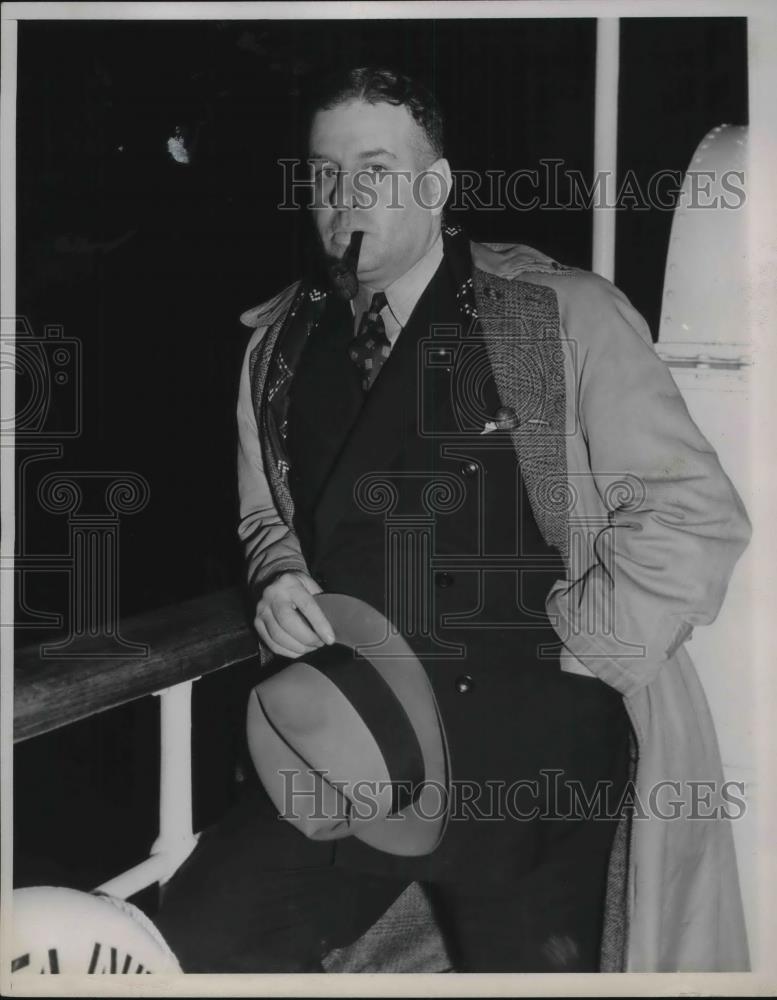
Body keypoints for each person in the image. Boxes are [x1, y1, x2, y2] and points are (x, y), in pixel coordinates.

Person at [154, 66, 752, 973]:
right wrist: (278, 577)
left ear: (434, 188)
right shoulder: (274, 349)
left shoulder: (554, 316)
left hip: (531, 759)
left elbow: (690, 512)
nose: (343, 196)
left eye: (375, 170)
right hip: (359, 738)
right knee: (202, 932)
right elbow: (265, 521)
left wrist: (586, 648)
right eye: (324, 174)